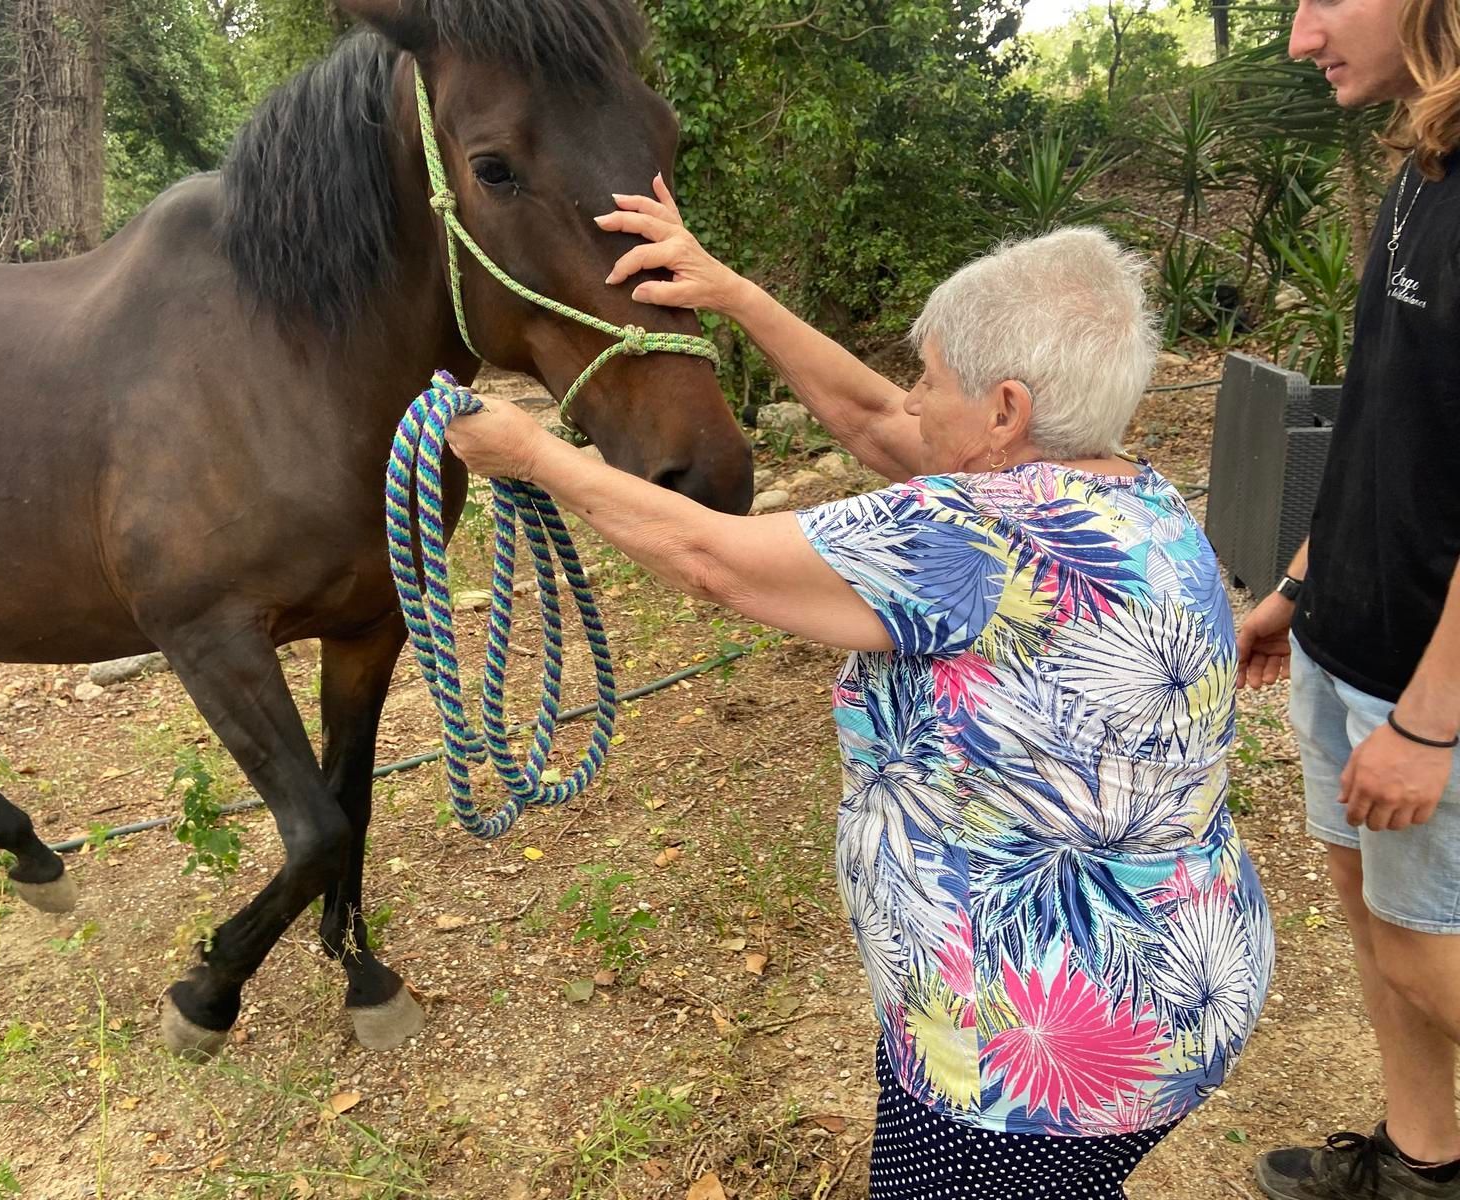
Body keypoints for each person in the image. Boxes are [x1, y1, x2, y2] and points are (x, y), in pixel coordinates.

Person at [447, 213, 1274, 1199]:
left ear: (1005, 410)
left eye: (930, 377)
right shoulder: (1136, 502)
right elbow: (880, 423)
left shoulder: (966, 533)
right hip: (1176, 981)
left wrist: (534, 457)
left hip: (1028, 1057)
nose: (912, 397)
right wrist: (733, 295)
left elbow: (713, 560)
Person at [1236, 0, 1460, 1196]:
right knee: (1373, 918)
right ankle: (1422, 1165)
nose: (1298, 36)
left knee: (1429, 953)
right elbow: (1383, 415)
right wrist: (1297, 584)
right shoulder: (1424, 163)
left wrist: (1429, 720)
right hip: (1345, 637)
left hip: (1429, 678)